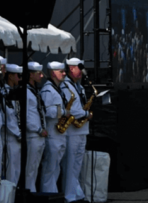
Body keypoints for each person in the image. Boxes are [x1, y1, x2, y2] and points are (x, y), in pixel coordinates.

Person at [61, 58, 91, 202]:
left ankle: (76, 192)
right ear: (71, 69)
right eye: (79, 67)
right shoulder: (66, 86)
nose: (81, 70)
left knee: (77, 165)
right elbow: (72, 109)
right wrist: (86, 114)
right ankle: (69, 195)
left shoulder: (79, 86)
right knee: (70, 163)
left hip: (82, 129)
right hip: (72, 131)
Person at [40, 61, 69, 193]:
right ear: (52, 73)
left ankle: (53, 192)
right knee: (49, 168)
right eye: (61, 71)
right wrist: (64, 112)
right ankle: (48, 194)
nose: (64, 73)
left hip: (59, 134)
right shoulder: (47, 90)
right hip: (52, 134)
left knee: (56, 167)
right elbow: (47, 111)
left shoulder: (57, 89)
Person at [25, 61, 48, 192]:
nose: (42, 76)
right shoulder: (26, 92)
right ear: (31, 75)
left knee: (35, 168)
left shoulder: (34, 91)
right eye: (38, 74)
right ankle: (30, 193)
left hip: (40, 134)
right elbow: (26, 115)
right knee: (30, 168)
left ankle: (32, 190)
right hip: (33, 134)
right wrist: (38, 129)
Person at [2, 63, 23, 185]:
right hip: (11, 135)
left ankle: (14, 194)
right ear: (10, 76)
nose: (19, 79)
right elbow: (8, 116)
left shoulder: (15, 91)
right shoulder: (5, 92)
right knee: (11, 168)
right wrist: (18, 133)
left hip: (18, 134)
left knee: (16, 168)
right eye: (17, 76)